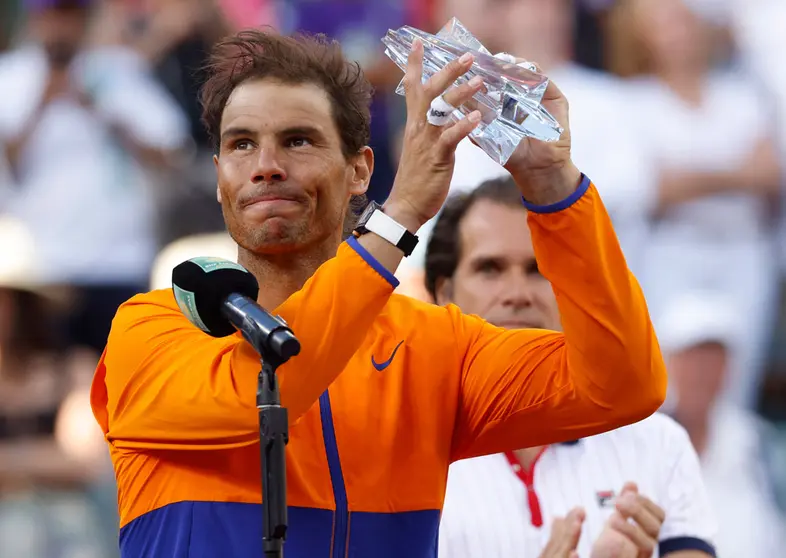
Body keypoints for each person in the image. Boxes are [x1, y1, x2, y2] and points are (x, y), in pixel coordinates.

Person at [89, 29, 667, 557]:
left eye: (297, 140)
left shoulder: (432, 344)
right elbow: (263, 393)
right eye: (241, 144)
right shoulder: (151, 329)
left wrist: (551, 186)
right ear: (219, 177)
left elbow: (622, 384)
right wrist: (400, 216)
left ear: (361, 171)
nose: (265, 166)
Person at [428, 177, 716, 558]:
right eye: (490, 269)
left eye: (538, 269)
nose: (517, 293)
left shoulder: (659, 443)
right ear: (443, 293)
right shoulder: (400, 445)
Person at [0, 0, 189, 354]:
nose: (61, 26)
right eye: (53, 15)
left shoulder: (119, 72)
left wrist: (103, 112)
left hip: (118, 261)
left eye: (70, 15)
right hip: (40, 267)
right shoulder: (9, 77)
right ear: (37, 19)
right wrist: (42, 104)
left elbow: (170, 153)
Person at [657, 293, 786, 557]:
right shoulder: (642, 441)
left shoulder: (761, 445)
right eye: (691, 360)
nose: (702, 373)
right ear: (668, 363)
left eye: (713, 361)